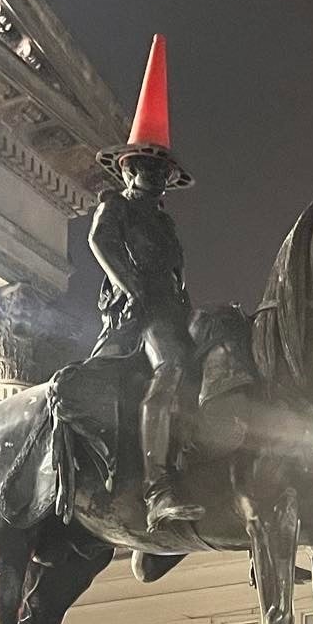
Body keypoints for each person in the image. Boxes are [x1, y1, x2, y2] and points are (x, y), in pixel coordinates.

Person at [90, 34, 201, 533]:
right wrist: (131, 287)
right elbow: (101, 243)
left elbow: (178, 273)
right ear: (129, 168)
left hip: (171, 308)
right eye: (146, 166)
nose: (153, 176)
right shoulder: (116, 206)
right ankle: (157, 488)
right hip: (139, 312)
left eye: (161, 170)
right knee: (173, 366)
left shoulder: (166, 224)